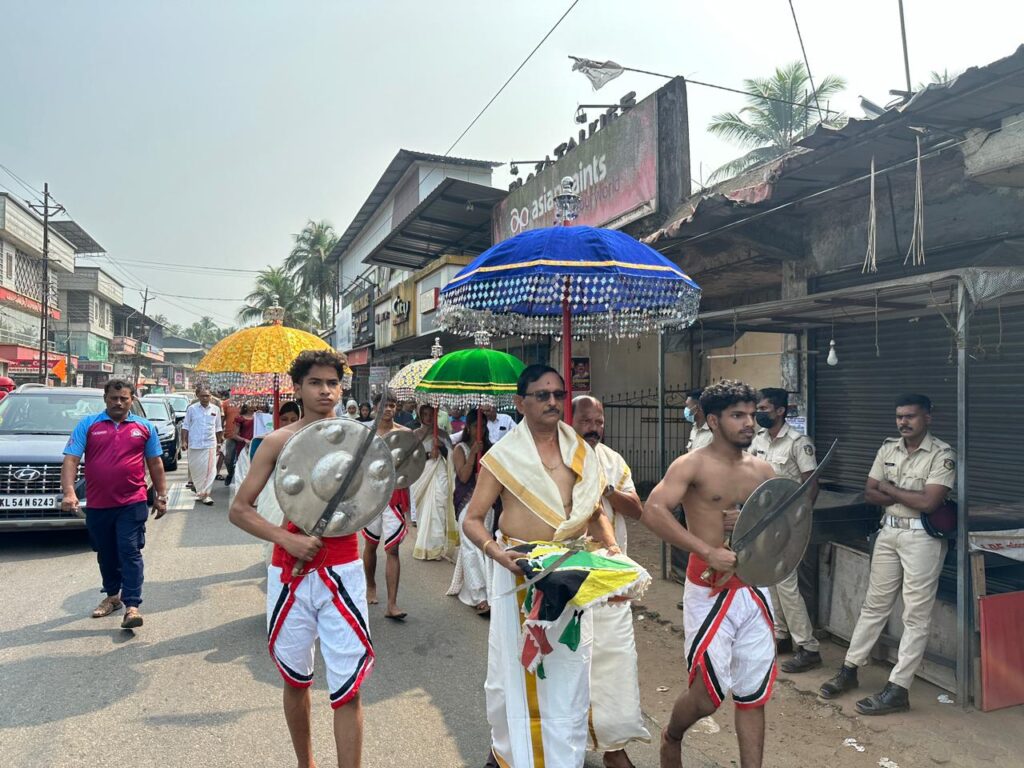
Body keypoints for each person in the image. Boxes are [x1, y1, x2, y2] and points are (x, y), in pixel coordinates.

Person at [462, 364, 620, 768]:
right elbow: (473, 519)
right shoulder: (503, 457)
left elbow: (593, 511)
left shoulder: (581, 452)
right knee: (524, 669)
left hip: (572, 569)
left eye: (558, 394)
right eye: (542, 395)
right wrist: (497, 554)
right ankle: (517, 753)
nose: (552, 402)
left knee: (570, 668)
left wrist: (614, 551)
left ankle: (562, 756)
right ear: (520, 403)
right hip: (522, 572)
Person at [229, 350, 370, 768]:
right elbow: (239, 509)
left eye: (332, 383)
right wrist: (285, 540)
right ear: (298, 388)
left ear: (341, 388)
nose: (325, 391)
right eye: (315, 383)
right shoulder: (276, 442)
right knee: (295, 679)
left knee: (349, 688)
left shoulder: (359, 441)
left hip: (343, 568)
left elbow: (369, 500)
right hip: (289, 572)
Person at [641, 380, 777, 768]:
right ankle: (672, 735)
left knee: (753, 693)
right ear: (714, 421)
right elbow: (653, 511)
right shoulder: (692, 464)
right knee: (706, 697)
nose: (749, 423)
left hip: (754, 589)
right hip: (708, 587)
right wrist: (706, 550)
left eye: (751, 414)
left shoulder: (764, 469)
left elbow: (786, 526)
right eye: (738, 415)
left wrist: (752, 520)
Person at [819, 393, 955, 716]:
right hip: (888, 532)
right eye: (899, 416)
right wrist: (905, 495)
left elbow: (929, 502)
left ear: (927, 417)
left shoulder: (942, 454)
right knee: (874, 605)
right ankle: (849, 669)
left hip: (922, 538)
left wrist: (890, 489)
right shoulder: (887, 448)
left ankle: (898, 689)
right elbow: (869, 492)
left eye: (910, 416)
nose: (903, 422)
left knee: (915, 615)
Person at [572, 395, 650, 768]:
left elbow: (636, 509)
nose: (594, 428)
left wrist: (606, 488)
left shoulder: (613, 460)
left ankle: (614, 749)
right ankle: (565, 744)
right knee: (571, 664)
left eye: (599, 421)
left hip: (610, 579)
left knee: (616, 663)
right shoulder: (555, 460)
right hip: (571, 580)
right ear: (569, 421)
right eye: (586, 420)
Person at [61, 379, 168, 629]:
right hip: (98, 504)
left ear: (132, 400)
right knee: (106, 552)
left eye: (124, 398)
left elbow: (155, 463)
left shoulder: (144, 427)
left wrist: (161, 495)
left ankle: (132, 605)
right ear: (105, 399)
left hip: (133, 501)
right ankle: (112, 597)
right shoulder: (88, 425)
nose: (118, 403)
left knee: (129, 550)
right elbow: (71, 460)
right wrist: (69, 492)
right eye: (113, 398)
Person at [749, 388, 821, 673]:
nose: (759, 413)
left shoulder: (798, 442)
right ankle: (782, 635)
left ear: (780, 411)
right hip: (763, 521)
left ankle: (809, 647)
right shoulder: (758, 440)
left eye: (764, 409)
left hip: (787, 523)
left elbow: (811, 483)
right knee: (770, 581)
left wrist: (798, 520)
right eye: (758, 409)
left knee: (787, 585)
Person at [362, 393, 412, 620]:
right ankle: (370, 585)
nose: (389, 409)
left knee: (392, 549)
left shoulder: (405, 433)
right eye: (384, 405)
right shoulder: (365, 433)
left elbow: (412, 464)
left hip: (395, 495)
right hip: (372, 495)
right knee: (371, 544)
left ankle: (392, 604)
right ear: (375, 408)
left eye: (392, 405)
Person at [445, 408, 496, 615]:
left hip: (486, 503)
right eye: (475, 426)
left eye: (482, 426)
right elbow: (464, 477)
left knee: (485, 545)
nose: (479, 430)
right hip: (466, 502)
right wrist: (473, 453)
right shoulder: (460, 449)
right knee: (470, 546)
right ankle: (479, 595)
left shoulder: (491, 449)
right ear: (468, 427)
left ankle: (491, 592)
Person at [410, 403, 457, 561]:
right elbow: (411, 457)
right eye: (425, 415)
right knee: (424, 510)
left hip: (440, 472)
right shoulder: (415, 434)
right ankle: (425, 546)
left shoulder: (443, 434)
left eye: (432, 414)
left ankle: (437, 547)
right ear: (420, 416)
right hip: (422, 474)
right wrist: (429, 454)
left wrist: (442, 448)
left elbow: (452, 455)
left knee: (439, 505)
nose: (429, 418)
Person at [182, 387, 223, 506]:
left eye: (207, 396)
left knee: (210, 470)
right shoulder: (192, 409)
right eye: (202, 396)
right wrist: (184, 441)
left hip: (210, 444)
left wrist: (219, 443)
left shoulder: (215, 409)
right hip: (194, 444)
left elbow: (218, 427)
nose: (205, 398)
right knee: (196, 470)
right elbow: (186, 426)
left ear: (211, 397)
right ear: (198, 397)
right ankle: (200, 491)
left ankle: (205, 494)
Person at [221, 390, 241, 483]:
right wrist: (220, 433)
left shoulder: (248, 403)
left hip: (245, 436)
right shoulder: (226, 404)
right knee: (228, 459)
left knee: (243, 461)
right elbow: (222, 419)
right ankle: (230, 473)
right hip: (231, 435)